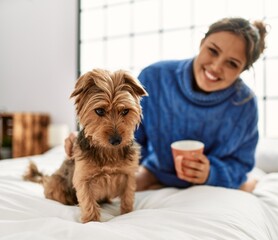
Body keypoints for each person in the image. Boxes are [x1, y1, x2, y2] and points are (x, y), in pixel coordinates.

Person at [65, 17, 267, 193]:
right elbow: (131, 136)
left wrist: (211, 172)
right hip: (158, 171)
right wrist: (87, 137)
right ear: (201, 42)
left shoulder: (245, 104)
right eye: (212, 51)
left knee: (247, 185)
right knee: (114, 188)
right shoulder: (155, 77)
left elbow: (242, 163)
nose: (216, 67)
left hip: (212, 179)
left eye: (232, 64)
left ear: (243, 70)